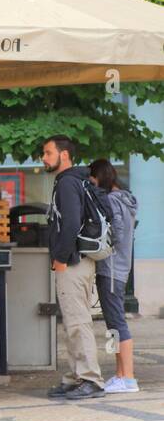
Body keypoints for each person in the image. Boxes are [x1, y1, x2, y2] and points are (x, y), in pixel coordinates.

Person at [42, 135, 105, 400]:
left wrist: (60, 257)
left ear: (64, 155)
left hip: (73, 262)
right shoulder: (76, 180)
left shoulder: (68, 183)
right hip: (79, 260)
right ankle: (75, 377)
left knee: (77, 321)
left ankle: (91, 378)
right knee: (72, 321)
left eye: (48, 153)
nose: (43, 158)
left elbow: (69, 224)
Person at [88, 159, 138, 393]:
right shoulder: (125, 199)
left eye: (93, 179)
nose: (92, 184)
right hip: (119, 268)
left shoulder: (110, 200)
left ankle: (127, 377)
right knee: (113, 324)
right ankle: (119, 374)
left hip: (111, 269)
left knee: (116, 323)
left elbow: (116, 233)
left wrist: (102, 245)